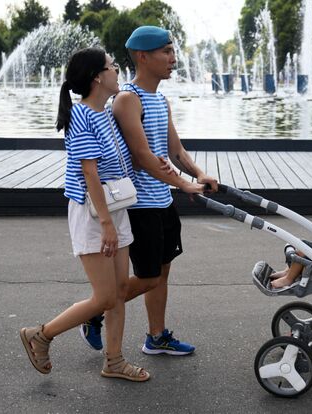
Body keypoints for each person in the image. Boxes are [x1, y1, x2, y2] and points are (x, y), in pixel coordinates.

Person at [81, 26, 218, 356]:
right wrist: (185, 183)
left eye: (172, 52)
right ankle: (94, 311)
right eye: (166, 52)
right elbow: (142, 155)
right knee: (149, 277)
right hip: (140, 205)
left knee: (162, 272)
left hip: (163, 200)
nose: (173, 59)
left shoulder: (160, 99)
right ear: (143, 57)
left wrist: (199, 173)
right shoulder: (128, 100)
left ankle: (156, 337)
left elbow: (175, 150)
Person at [20, 48, 149, 381]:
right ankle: (41, 334)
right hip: (94, 214)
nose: (118, 70)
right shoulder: (81, 116)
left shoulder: (104, 113)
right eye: (112, 66)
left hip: (114, 207)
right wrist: (106, 224)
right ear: (97, 77)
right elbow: (89, 173)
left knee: (120, 290)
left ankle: (115, 361)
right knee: (105, 296)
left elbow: (115, 163)